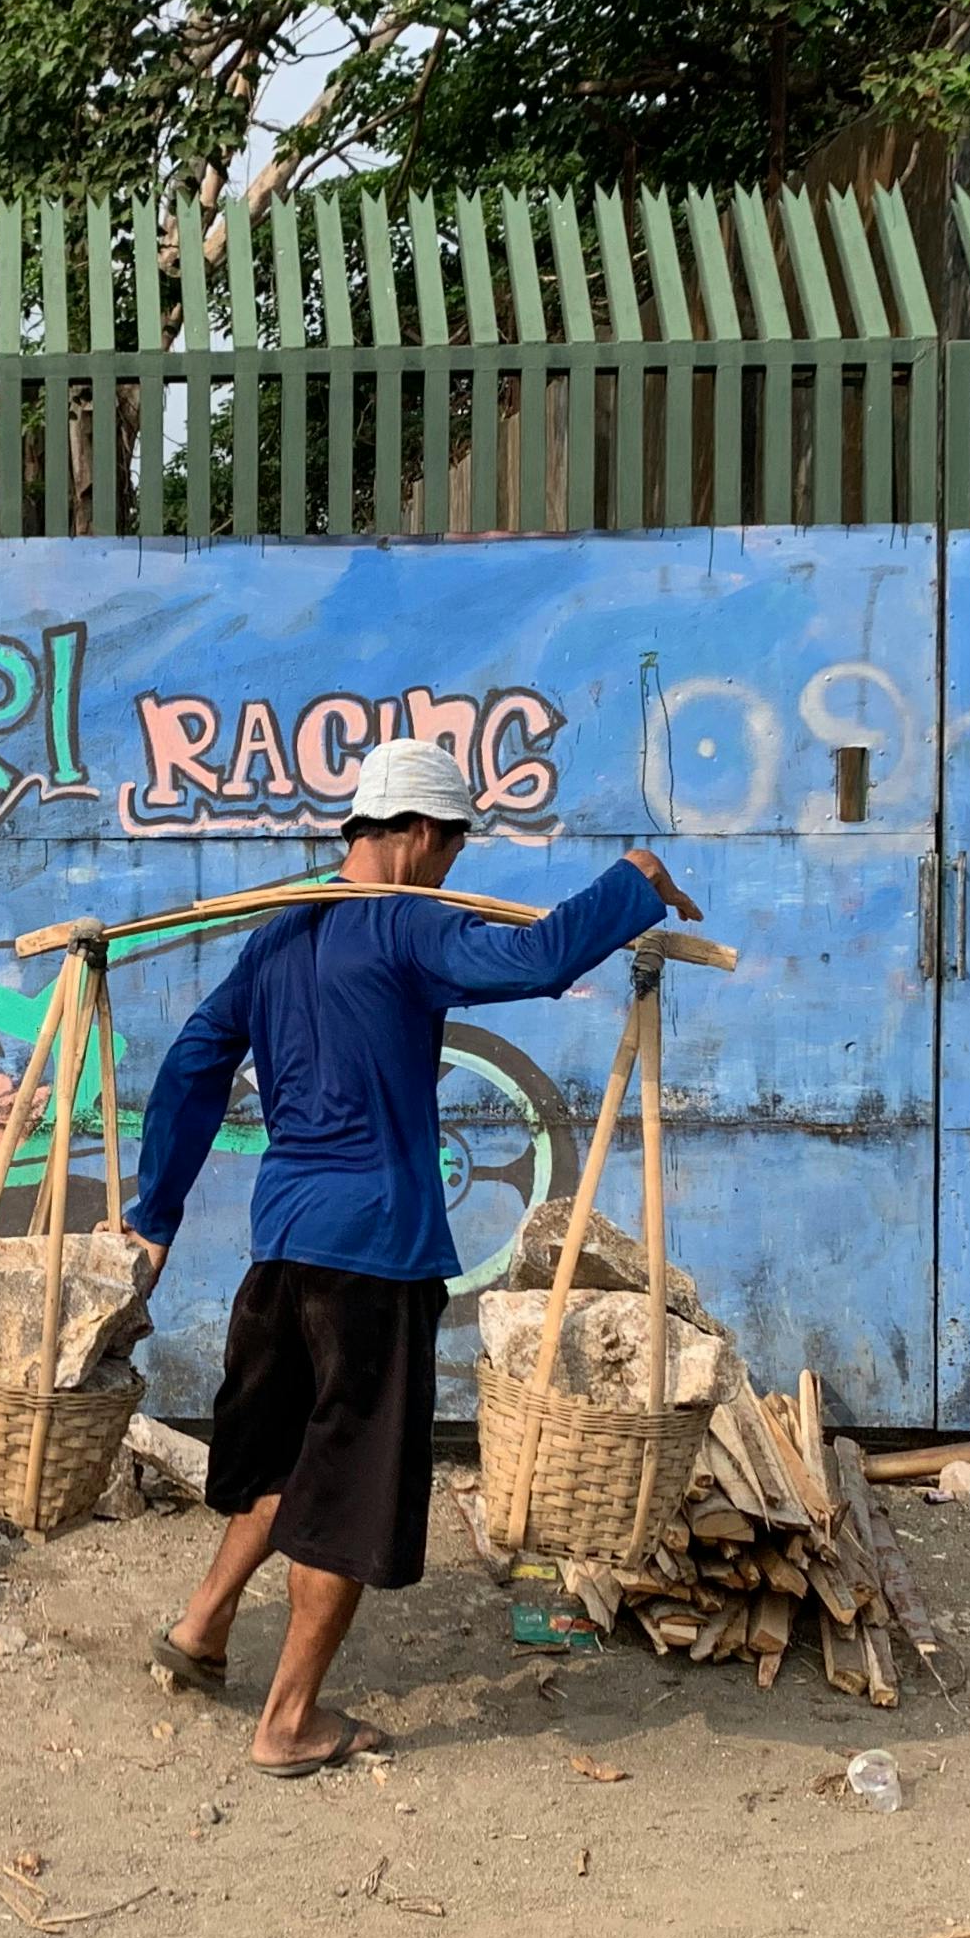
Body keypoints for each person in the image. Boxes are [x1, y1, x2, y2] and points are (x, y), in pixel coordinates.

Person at [121, 737, 702, 1776]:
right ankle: (289, 1720)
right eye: (448, 853)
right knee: (345, 1490)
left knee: (290, 1455)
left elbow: (192, 1063)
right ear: (422, 835)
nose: (447, 873)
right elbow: (534, 959)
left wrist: (154, 1207)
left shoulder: (278, 936)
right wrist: (634, 883)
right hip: (374, 1257)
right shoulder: (402, 926)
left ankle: (203, 1624)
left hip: (284, 1243)